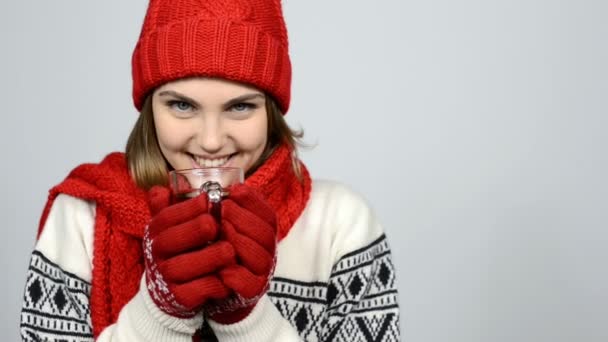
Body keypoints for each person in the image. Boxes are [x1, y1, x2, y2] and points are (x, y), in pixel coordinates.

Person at [19, 0, 400, 341]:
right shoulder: (80, 218)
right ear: (150, 107)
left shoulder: (340, 226)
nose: (212, 141)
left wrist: (249, 320)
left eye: (240, 107)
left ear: (271, 109)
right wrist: (160, 311)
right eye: (182, 106)